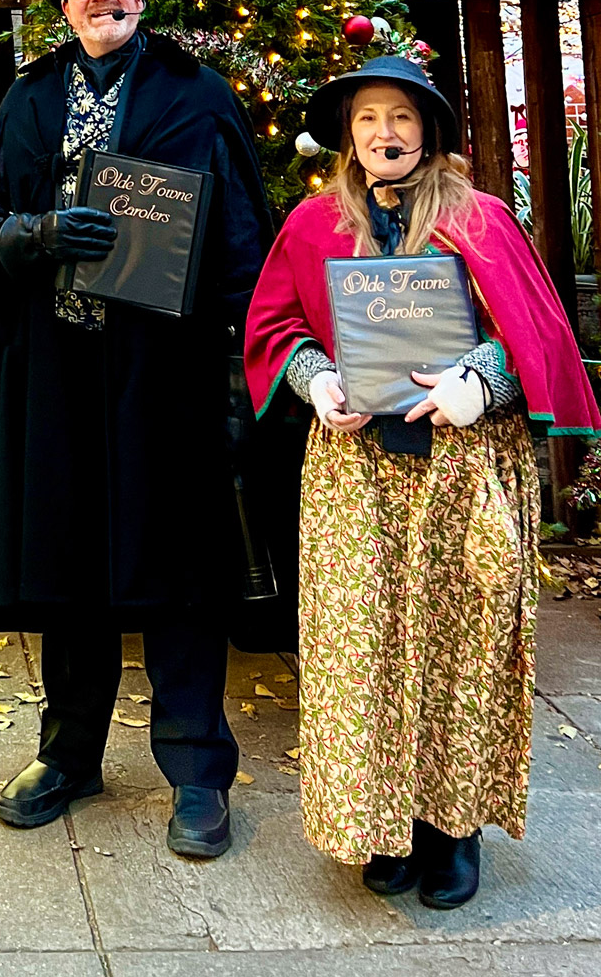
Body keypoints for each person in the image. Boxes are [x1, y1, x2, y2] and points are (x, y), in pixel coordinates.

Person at [0, 0, 273, 858]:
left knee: (180, 575)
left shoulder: (195, 96)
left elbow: (244, 244)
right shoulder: (31, 100)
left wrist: (242, 372)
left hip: (167, 379)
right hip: (58, 377)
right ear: (63, 5)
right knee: (68, 567)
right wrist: (30, 237)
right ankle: (71, 753)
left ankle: (199, 771)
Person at [245, 54, 600, 908]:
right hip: (354, 477)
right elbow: (274, 323)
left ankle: (452, 828)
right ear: (348, 134)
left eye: (401, 117)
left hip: (461, 469)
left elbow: (533, 333)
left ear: (429, 132)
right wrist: (315, 380)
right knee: (358, 652)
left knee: (463, 648)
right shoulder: (311, 224)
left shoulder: (479, 220)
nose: (385, 134)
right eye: (368, 118)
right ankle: (379, 821)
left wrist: (482, 380)